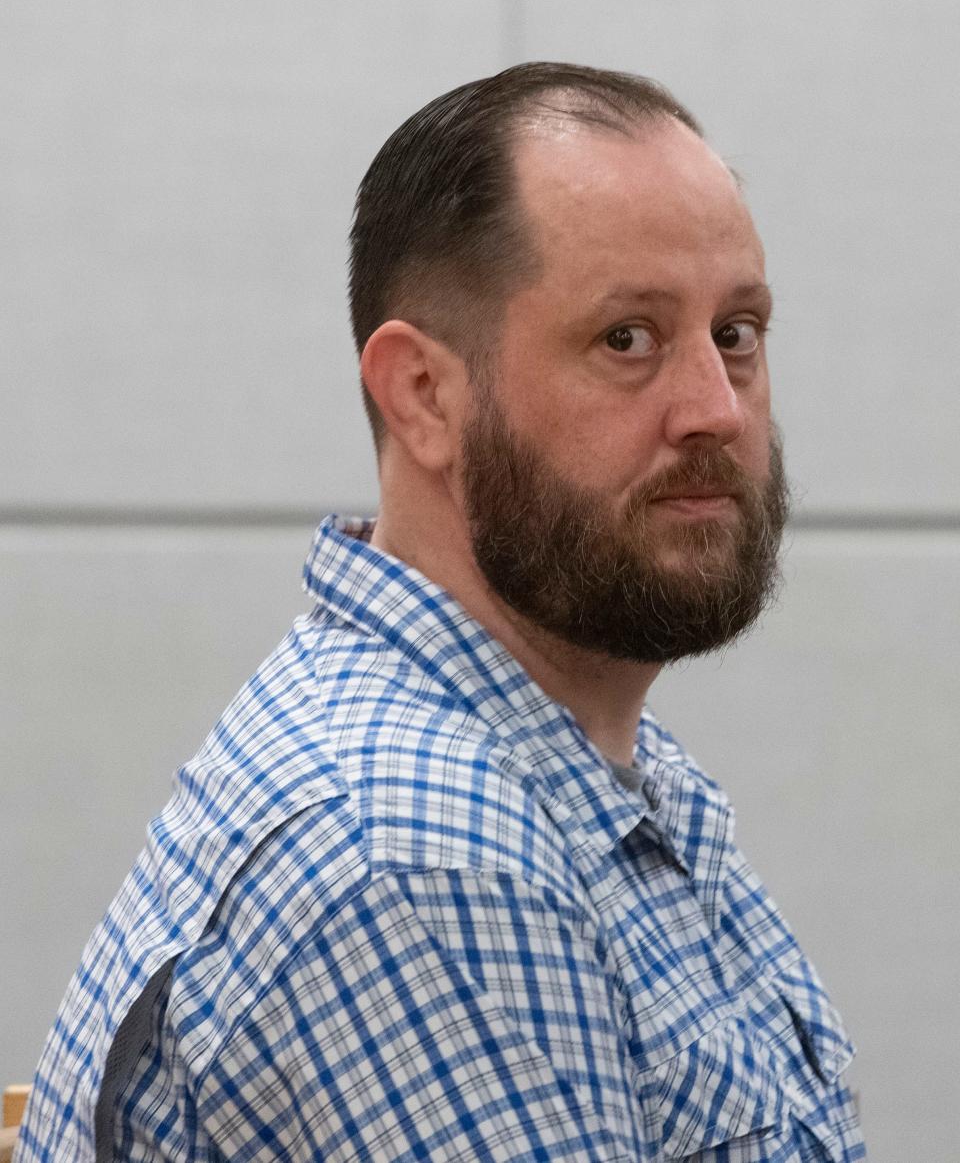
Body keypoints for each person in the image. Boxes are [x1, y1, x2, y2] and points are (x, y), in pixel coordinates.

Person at [18, 63, 865, 1161]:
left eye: (737, 332)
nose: (714, 407)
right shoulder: (419, 854)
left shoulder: (594, 769)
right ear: (424, 396)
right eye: (628, 340)